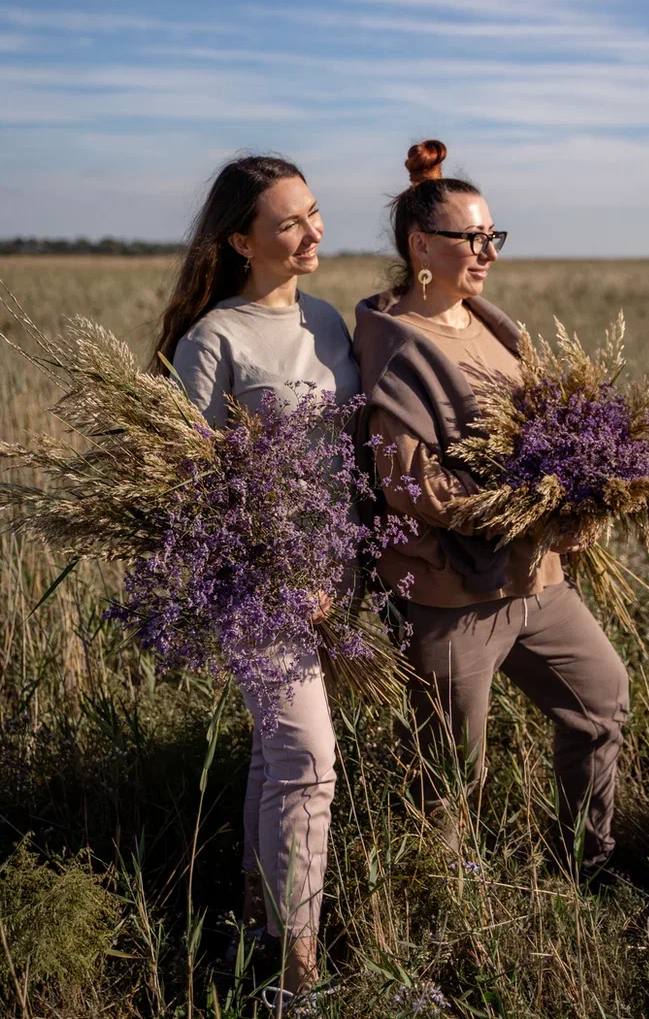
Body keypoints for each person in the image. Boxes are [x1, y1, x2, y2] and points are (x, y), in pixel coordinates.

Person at [353, 140, 629, 875]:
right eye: (472, 238)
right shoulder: (394, 348)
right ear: (421, 245)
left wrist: (583, 491)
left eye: (492, 236)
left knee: (601, 705)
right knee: (450, 776)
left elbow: (547, 438)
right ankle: (438, 907)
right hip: (453, 593)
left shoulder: (497, 330)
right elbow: (413, 488)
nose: (488, 253)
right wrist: (528, 507)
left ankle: (585, 867)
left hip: (537, 579)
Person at [153, 154, 360, 1004]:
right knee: (309, 759)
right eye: (288, 223)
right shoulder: (214, 340)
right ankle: (297, 975)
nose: (312, 232)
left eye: (313, 213)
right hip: (254, 582)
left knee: (279, 761)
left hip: (336, 572)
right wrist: (275, 570)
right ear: (241, 240)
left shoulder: (330, 321)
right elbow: (184, 486)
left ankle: (251, 919)